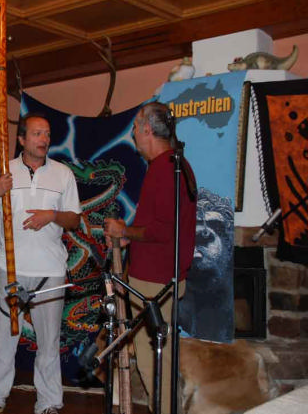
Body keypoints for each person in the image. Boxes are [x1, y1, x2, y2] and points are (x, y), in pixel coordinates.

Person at [0, 114, 81, 414]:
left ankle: (49, 403)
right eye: (36, 134)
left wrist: (52, 216)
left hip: (50, 272)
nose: (44, 139)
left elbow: (74, 219)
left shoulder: (62, 174)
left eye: (47, 134)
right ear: (21, 139)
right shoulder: (3, 172)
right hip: (10, 269)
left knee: (49, 343)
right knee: (2, 341)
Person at [103, 102, 197, 414]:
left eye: (134, 128)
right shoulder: (171, 165)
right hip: (159, 276)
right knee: (158, 359)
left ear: (147, 130)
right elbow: (162, 225)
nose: (132, 134)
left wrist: (123, 229)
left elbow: (163, 229)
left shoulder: (166, 168)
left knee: (155, 361)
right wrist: (131, 235)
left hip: (154, 282)